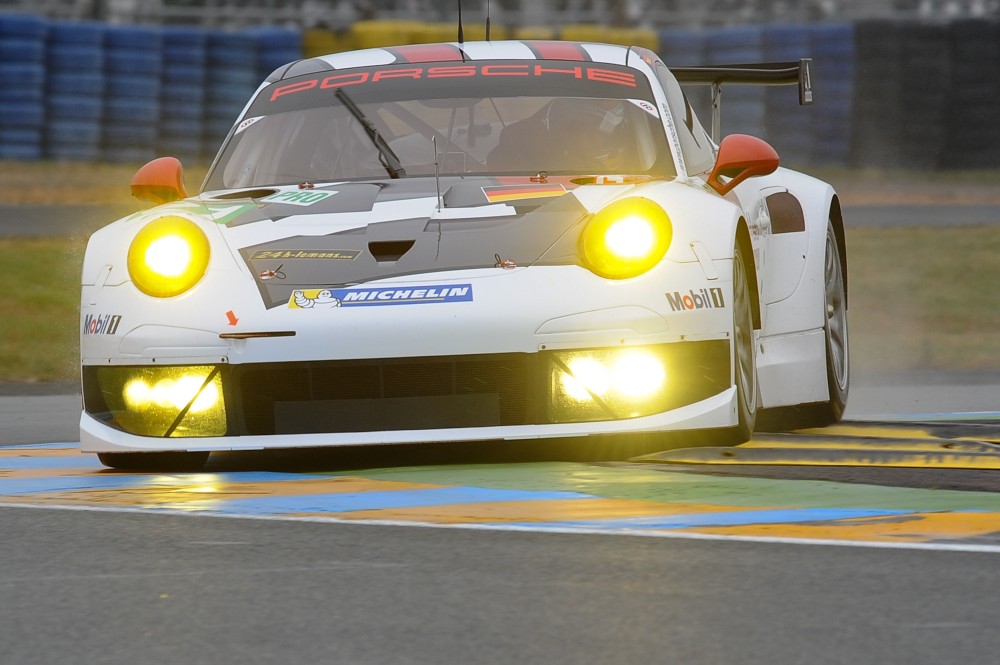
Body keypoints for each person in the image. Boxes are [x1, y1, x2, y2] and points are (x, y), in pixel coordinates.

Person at [488, 97, 628, 173]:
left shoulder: (630, 163)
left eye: (594, 132)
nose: (585, 135)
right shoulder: (517, 149)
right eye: (574, 128)